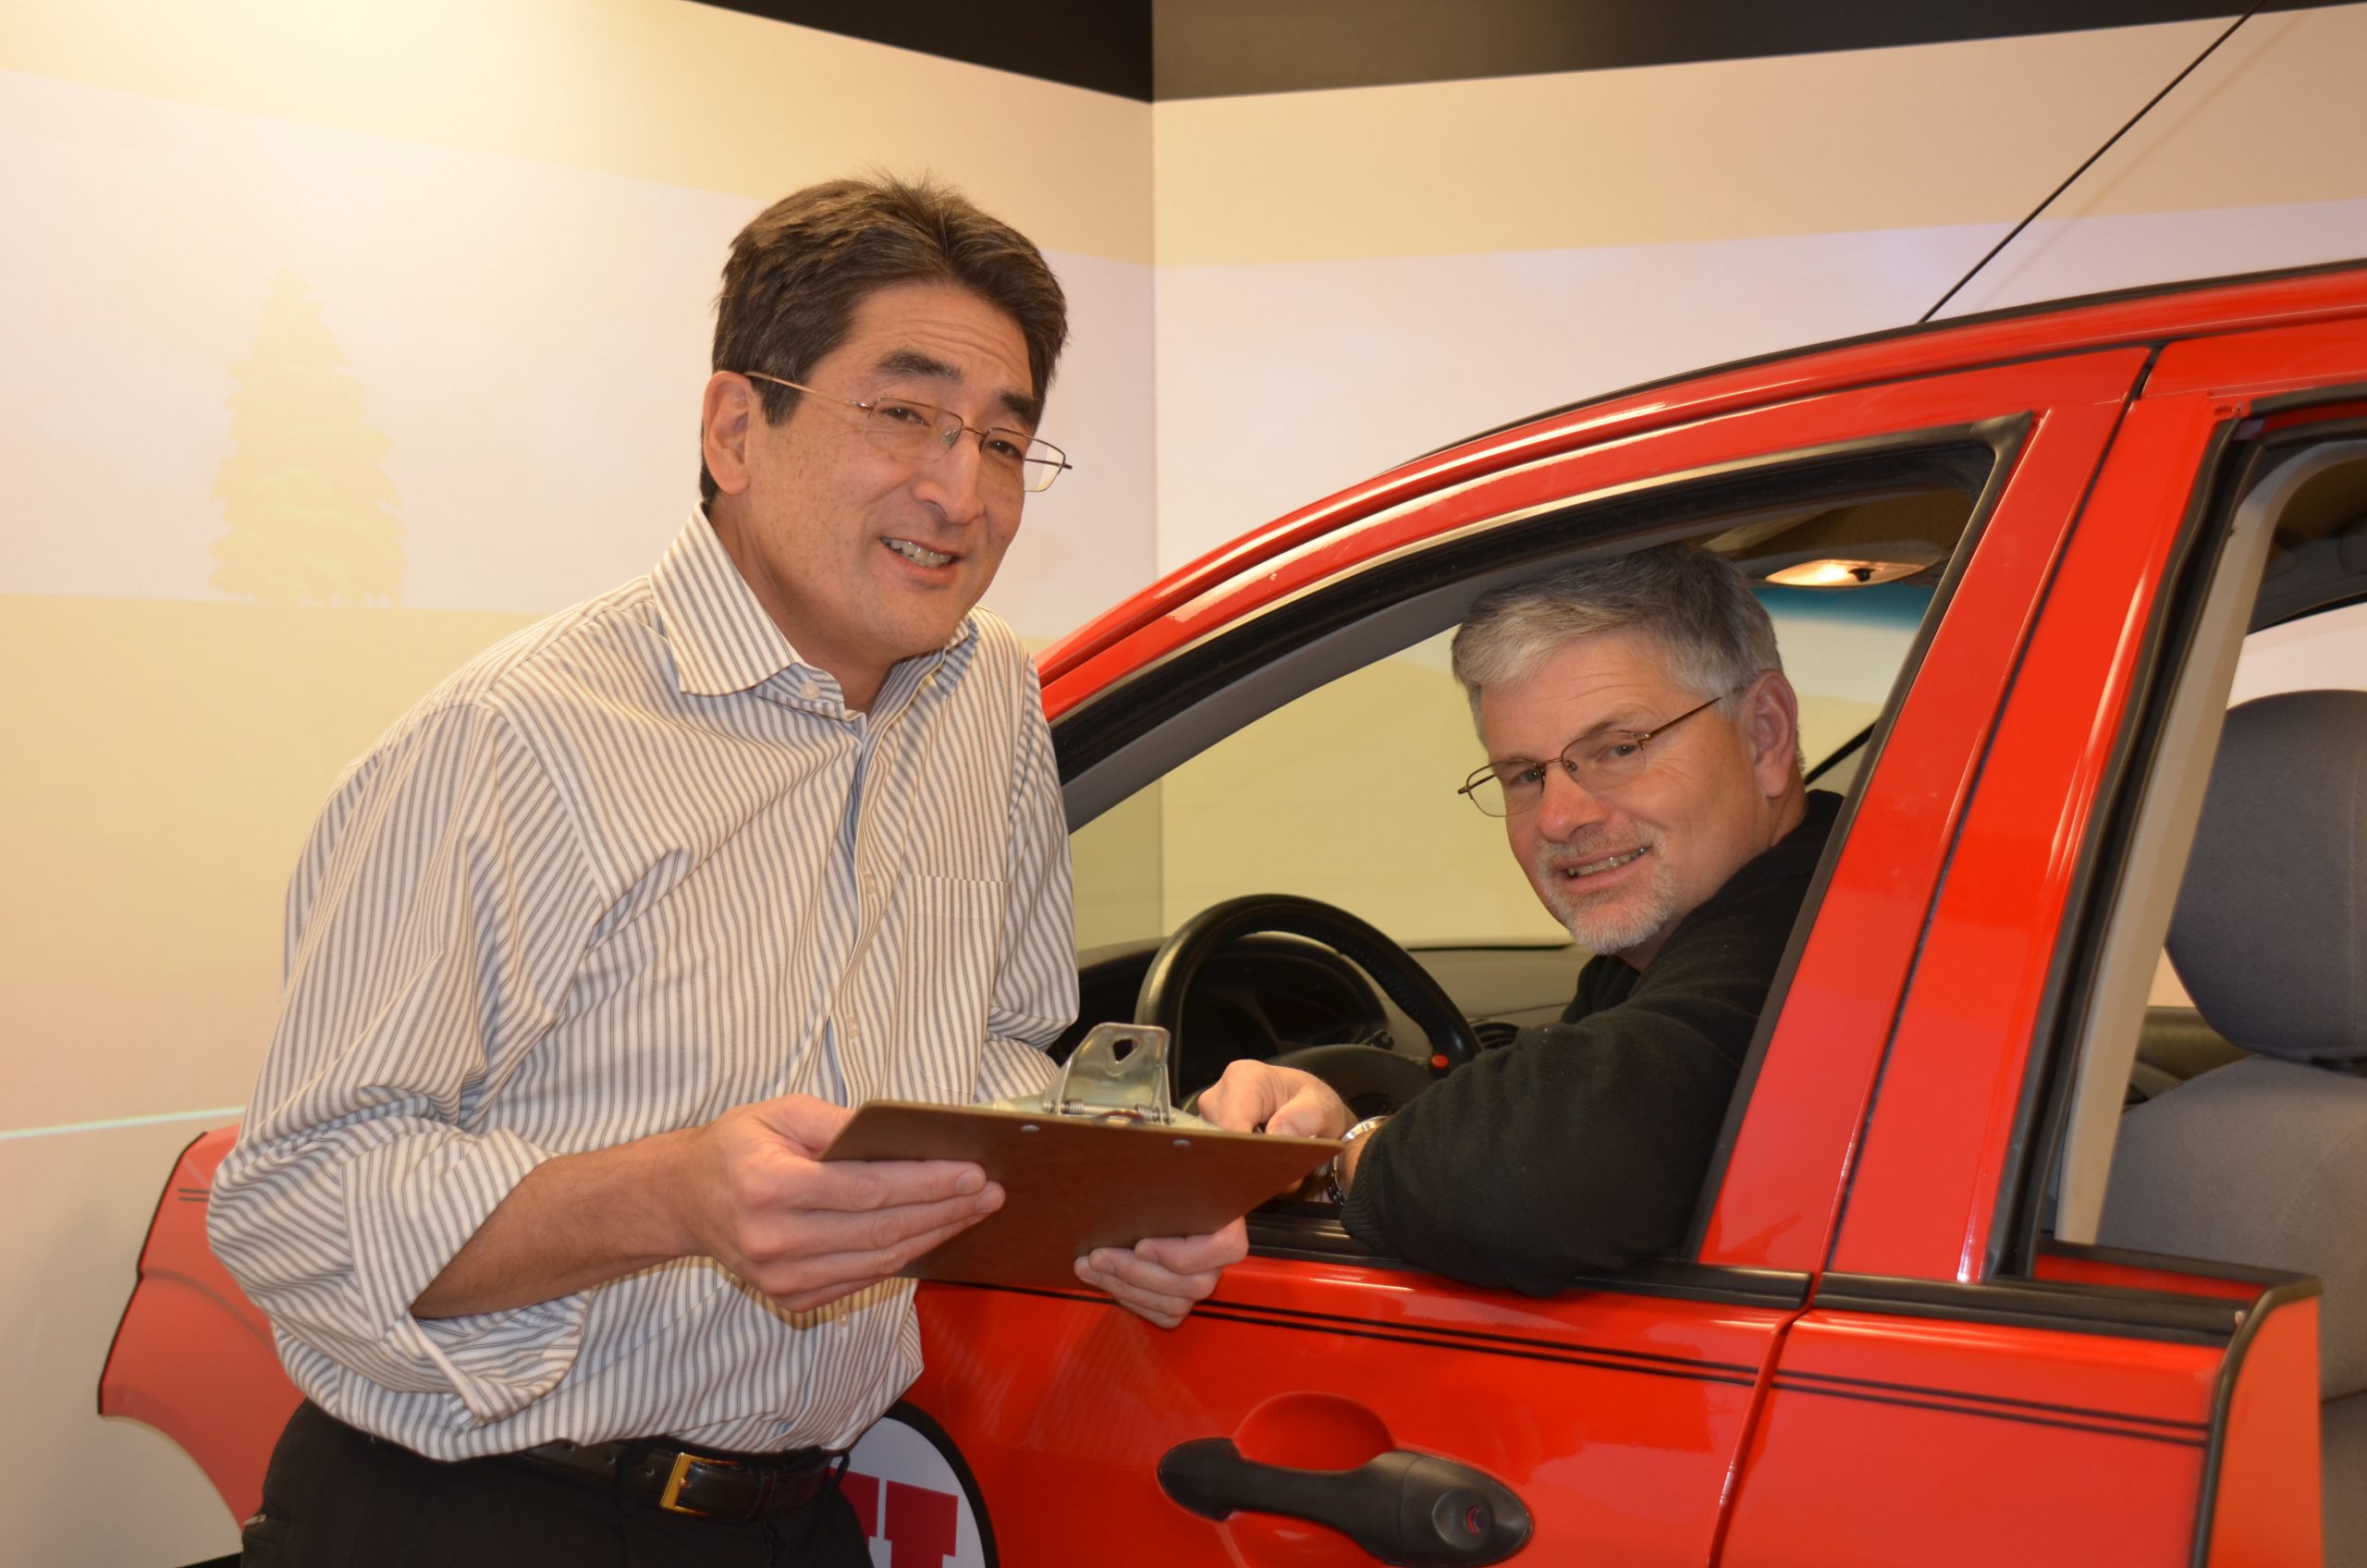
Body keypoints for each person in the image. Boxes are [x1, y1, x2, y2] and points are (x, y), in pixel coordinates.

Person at [209, 176, 1243, 1567]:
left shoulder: (989, 698)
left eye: (1004, 441)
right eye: (905, 414)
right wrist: (674, 1195)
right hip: (481, 1518)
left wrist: (1124, 1189)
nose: (961, 488)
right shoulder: (515, 737)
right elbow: (292, 1206)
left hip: (797, 1515)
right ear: (736, 426)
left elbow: (992, 1056)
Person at [1200, 545, 1839, 1294]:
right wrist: (1344, 1134)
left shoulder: (1820, 950)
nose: (1561, 817)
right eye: (1527, 775)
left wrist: (1348, 1156)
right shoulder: (1675, 952)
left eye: (1618, 748)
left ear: (1764, 734)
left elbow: (1532, 1183)